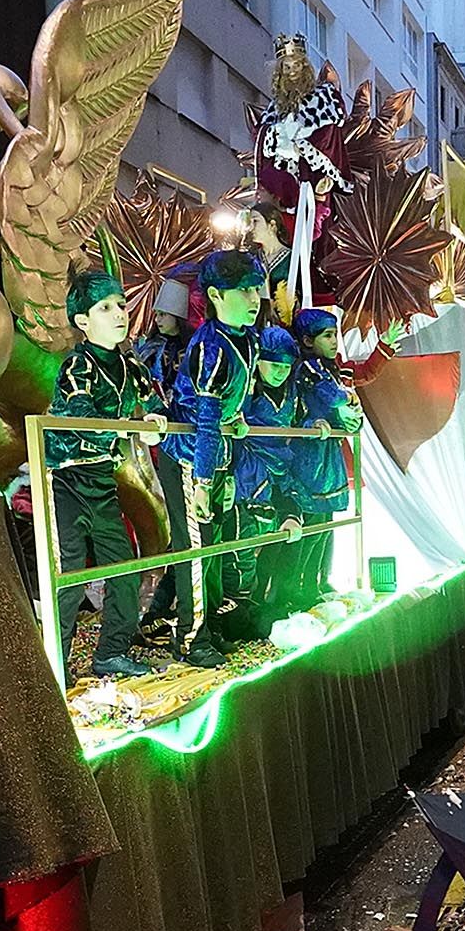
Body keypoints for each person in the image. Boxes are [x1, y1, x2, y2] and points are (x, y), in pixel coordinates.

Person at [47, 259, 166, 680]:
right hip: (66, 479)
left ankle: (112, 651)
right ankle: (55, 667)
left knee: (124, 567)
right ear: (82, 321)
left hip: (103, 477)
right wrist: (128, 428)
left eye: (120, 304)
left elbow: (155, 402)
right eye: (105, 308)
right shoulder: (77, 365)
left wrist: (154, 421)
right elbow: (80, 413)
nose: (119, 313)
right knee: (71, 575)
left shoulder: (132, 365)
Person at [179, 250, 265, 666]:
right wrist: (202, 479)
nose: (255, 298)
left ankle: (207, 628)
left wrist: (241, 418)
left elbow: (230, 406)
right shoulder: (210, 347)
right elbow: (206, 419)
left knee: (212, 550)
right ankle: (191, 638)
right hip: (193, 457)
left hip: (218, 453)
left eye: (257, 289)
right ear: (215, 294)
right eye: (245, 290)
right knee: (197, 552)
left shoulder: (245, 338)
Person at [135, 274, 198, 649]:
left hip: (184, 443)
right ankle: (158, 610)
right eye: (156, 312)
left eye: (164, 312)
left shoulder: (191, 350)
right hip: (163, 444)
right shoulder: (150, 351)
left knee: (184, 533)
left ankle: (160, 609)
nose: (158, 317)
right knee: (178, 530)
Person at [284, 306, 362, 609]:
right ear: (306, 340)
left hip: (326, 452)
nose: (334, 341)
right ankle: (297, 588)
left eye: (335, 335)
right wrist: (348, 399)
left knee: (326, 524)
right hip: (309, 452)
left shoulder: (325, 367)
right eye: (328, 335)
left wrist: (347, 414)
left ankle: (316, 580)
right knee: (312, 524)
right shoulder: (309, 368)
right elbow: (333, 395)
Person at [232, 324, 303, 626]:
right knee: (241, 549)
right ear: (259, 360)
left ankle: (263, 605)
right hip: (244, 471)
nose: (280, 372)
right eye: (274, 364)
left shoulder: (292, 393)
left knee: (283, 539)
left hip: (279, 471)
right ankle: (237, 612)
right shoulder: (245, 388)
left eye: (286, 366)